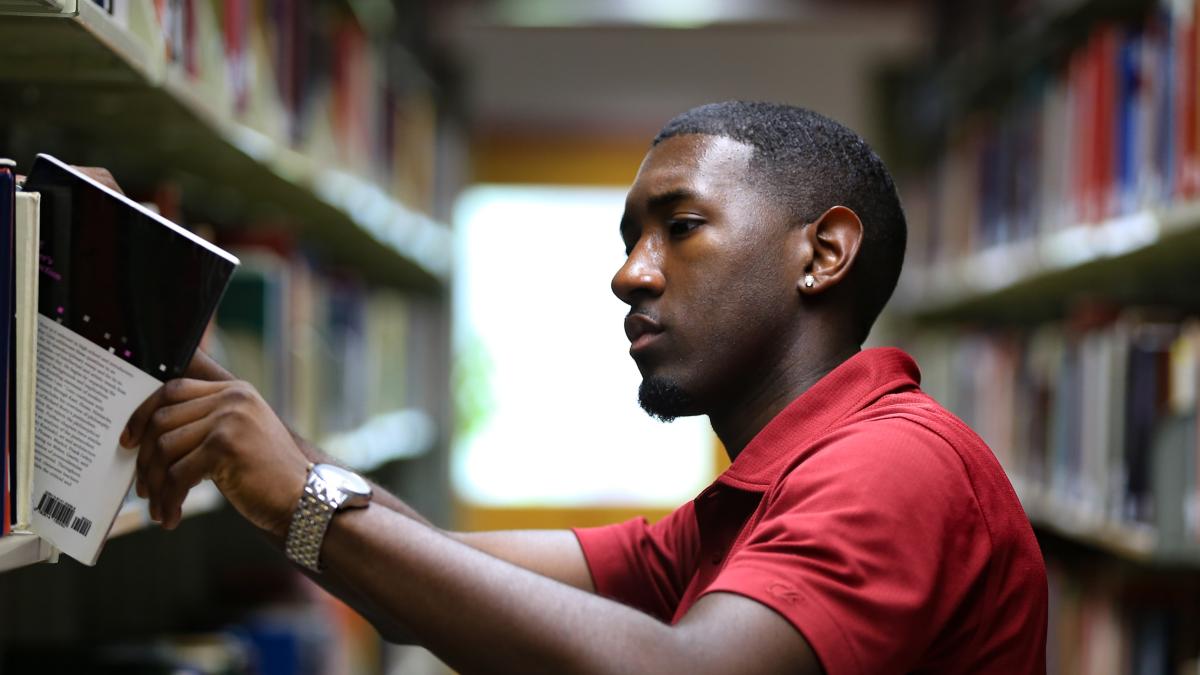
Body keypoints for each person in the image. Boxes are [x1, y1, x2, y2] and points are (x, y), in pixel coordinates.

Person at [123, 101, 1047, 674]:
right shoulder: (753, 504)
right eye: (627, 240)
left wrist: (302, 491)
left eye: (679, 227)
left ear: (824, 253)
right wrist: (256, 435)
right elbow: (435, 573)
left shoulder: (890, 466)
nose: (629, 275)